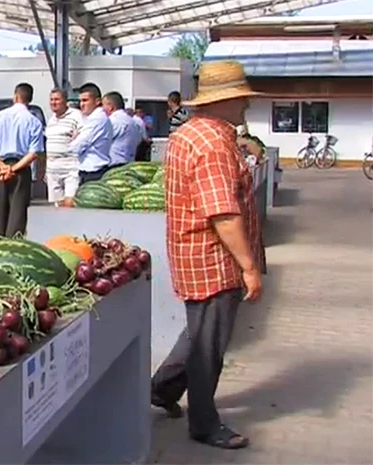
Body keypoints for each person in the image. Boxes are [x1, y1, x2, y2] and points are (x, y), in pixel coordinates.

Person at [150, 61, 263, 450]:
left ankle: (162, 389)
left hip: (191, 251)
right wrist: (249, 267)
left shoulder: (189, 133)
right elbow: (224, 213)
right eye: (242, 100)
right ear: (225, 101)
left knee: (199, 333)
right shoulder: (214, 144)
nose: (246, 107)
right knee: (208, 345)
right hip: (213, 257)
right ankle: (204, 421)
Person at [0, 83, 44, 237]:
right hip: (21, 168)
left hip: (0, 168)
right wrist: (13, 169)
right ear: (29, 99)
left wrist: (2, 166)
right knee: (17, 214)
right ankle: (13, 244)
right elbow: (33, 153)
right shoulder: (34, 121)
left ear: (15, 96)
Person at [45, 88, 83, 207]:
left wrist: (78, 135)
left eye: (57, 99)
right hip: (52, 169)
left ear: (65, 101)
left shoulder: (76, 115)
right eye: (51, 99)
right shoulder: (51, 119)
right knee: (56, 205)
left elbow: (83, 134)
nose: (53, 102)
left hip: (70, 167)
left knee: (69, 203)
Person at [69, 82, 112, 185]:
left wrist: (75, 139)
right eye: (80, 101)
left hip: (94, 173)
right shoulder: (92, 118)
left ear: (97, 101)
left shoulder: (97, 119)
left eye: (85, 100)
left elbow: (76, 147)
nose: (81, 104)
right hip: (89, 171)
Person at [102, 92, 139, 168]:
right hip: (129, 163)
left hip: (114, 164)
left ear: (110, 107)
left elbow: (100, 141)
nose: (102, 109)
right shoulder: (133, 122)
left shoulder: (112, 121)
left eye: (103, 105)